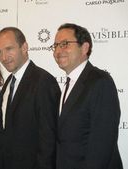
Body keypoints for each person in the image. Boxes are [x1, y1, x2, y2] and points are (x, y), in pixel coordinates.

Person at [51, 23, 123, 169]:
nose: (58, 50)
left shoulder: (100, 81)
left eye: (64, 44)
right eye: (56, 45)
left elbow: (102, 143)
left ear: (84, 48)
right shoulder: (68, 84)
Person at [0, 27, 61, 169]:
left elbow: (48, 139)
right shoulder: (8, 83)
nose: (4, 57)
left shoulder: (43, 81)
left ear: (24, 47)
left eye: (9, 49)